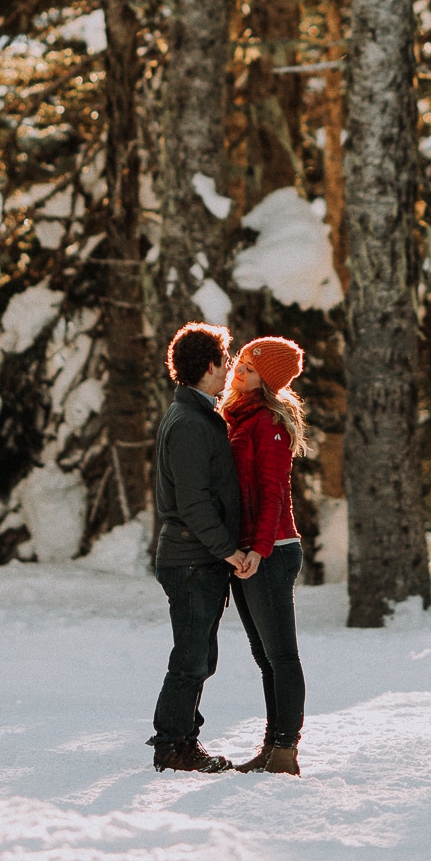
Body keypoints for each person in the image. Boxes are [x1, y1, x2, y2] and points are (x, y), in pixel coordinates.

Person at [149, 322, 258, 773]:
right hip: (192, 558)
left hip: (197, 557)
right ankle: (173, 746)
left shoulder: (196, 414)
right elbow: (192, 501)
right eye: (226, 361)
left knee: (199, 656)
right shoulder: (190, 423)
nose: (229, 368)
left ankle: (182, 740)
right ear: (210, 366)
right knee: (191, 658)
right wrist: (228, 550)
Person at [220, 335, 309, 777]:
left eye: (251, 369)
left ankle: (286, 750)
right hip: (250, 552)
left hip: (270, 551)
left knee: (281, 656)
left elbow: (273, 493)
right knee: (264, 655)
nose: (240, 371)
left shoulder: (268, 423)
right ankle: (272, 746)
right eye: (241, 362)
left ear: (268, 380)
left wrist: (258, 548)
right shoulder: (239, 416)